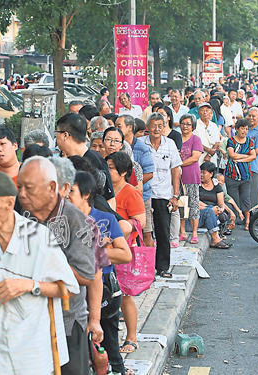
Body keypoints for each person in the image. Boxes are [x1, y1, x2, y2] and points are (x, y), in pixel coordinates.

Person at [0, 170, 79, 375]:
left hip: (30, 353)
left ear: (9, 204)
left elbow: (69, 288)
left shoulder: (38, 238)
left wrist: (29, 285)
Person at [17, 157, 95, 375]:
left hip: (66, 320)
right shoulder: (21, 213)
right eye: (20, 187)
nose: (22, 194)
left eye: (30, 188)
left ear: (53, 187)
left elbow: (87, 274)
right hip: (28, 319)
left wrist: (43, 265)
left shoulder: (75, 218)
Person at [66, 171, 131, 374]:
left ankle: (118, 370)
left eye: (71, 191)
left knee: (108, 340)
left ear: (86, 194)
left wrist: (97, 253)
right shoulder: (62, 221)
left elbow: (125, 254)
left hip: (103, 289)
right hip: (75, 293)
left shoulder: (104, 218)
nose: (66, 195)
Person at [105, 152, 145, 355]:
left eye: (111, 167)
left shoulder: (131, 192)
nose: (107, 170)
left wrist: (120, 227)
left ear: (123, 172)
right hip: (106, 251)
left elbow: (141, 221)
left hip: (124, 249)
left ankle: (132, 337)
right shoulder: (105, 192)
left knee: (125, 295)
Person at [140, 112, 182, 277]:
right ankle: (146, 266)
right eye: (153, 125)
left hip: (164, 194)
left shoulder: (170, 144)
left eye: (160, 125)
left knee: (163, 231)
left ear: (164, 127)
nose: (156, 129)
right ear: (147, 127)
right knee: (145, 232)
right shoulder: (141, 144)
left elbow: (176, 171)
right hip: (145, 194)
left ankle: (163, 267)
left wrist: (175, 195)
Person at [55, 113, 116, 209]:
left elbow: (109, 199)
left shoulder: (95, 160)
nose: (56, 137)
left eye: (57, 133)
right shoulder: (66, 160)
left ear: (65, 135)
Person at [116, 114, 155, 247]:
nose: (116, 129)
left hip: (141, 196)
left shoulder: (142, 148)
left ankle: (148, 264)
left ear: (130, 128)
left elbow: (149, 174)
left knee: (146, 231)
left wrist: (128, 187)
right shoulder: (115, 148)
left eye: (119, 126)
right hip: (121, 198)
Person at [225, 119, 256, 231]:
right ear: (237, 129)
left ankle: (247, 221)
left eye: (246, 129)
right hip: (232, 175)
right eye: (242, 128)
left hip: (246, 175)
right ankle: (232, 220)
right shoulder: (231, 141)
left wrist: (241, 159)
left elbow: (253, 156)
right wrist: (246, 156)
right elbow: (232, 155)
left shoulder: (249, 141)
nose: (245, 131)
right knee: (232, 199)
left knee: (245, 198)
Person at [179, 114, 203, 244]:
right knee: (181, 205)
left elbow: (195, 157)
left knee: (193, 205)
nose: (185, 126)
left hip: (191, 176)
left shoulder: (196, 139)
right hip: (178, 177)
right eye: (183, 123)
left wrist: (178, 164)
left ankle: (194, 233)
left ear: (193, 126)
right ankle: (182, 232)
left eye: (188, 124)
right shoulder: (176, 138)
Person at [199, 162, 232, 249]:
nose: (201, 175)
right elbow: (195, 202)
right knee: (210, 211)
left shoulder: (216, 186)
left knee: (222, 215)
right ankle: (216, 239)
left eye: (204, 173)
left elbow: (221, 203)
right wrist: (209, 208)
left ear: (211, 174)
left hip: (213, 210)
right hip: (200, 211)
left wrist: (220, 209)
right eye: (200, 172)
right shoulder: (196, 185)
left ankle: (218, 236)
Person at [246, 107, 258, 208]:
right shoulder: (247, 129)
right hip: (244, 165)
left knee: (253, 193)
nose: (251, 118)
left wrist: (242, 154)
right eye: (249, 115)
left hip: (253, 166)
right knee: (246, 193)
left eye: (253, 116)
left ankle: (256, 215)